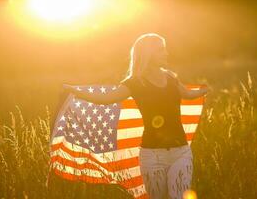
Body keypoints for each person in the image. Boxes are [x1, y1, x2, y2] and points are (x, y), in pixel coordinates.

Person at [63, 33, 208, 199]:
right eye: (161, 50)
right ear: (148, 54)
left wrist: (202, 91)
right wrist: (76, 92)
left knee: (178, 196)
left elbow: (187, 94)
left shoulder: (170, 77)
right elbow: (105, 99)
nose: (166, 53)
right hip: (152, 156)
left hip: (181, 152)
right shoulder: (135, 83)